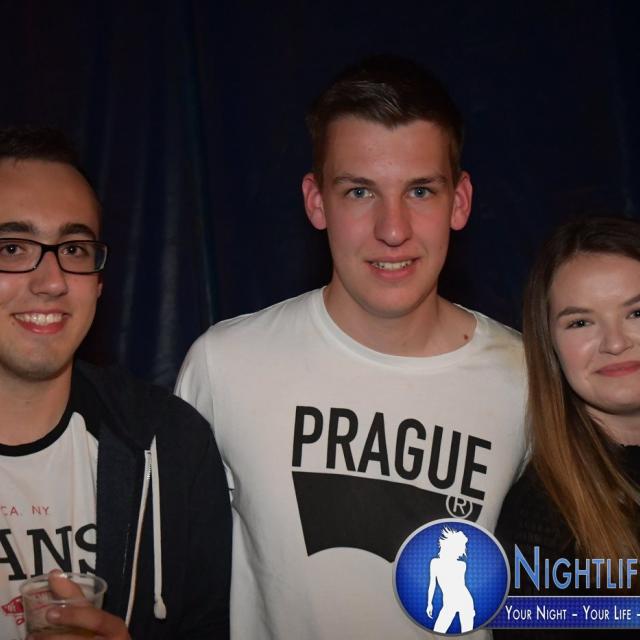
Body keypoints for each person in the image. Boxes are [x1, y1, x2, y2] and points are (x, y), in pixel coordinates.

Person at [177, 55, 526, 639]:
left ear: (460, 202)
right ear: (316, 202)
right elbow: (174, 588)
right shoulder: (226, 364)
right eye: (360, 191)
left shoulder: (527, 380)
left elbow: (573, 592)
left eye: (420, 190)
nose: (393, 229)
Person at [0, 126, 231, 640]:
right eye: (13, 248)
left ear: (100, 281)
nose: (52, 281)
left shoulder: (170, 445)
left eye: (74, 249)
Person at [496, 216, 640, 639]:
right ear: (550, 346)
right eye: (580, 322)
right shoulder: (539, 524)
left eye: (637, 312)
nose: (616, 343)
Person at [426, 527, 475, 633]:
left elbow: (461, 586)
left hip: (465, 601)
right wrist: (429, 603)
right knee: (438, 631)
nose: (462, 551)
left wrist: (470, 609)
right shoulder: (435, 563)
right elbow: (432, 584)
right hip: (449, 604)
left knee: (467, 635)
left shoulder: (462, 565)